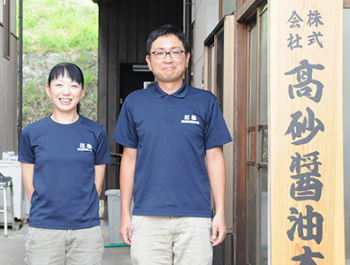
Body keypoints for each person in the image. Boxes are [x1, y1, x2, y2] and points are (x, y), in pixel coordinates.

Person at [113, 24, 232, 265]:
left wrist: (219, 212)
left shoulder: (205, 102)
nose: (168, 58)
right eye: (160, 52)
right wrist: (125, 213)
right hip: (147, 216)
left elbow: (215, 158)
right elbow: (129, 159)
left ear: (187, 58)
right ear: (149, 60)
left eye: (175, 51)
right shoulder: (135, 102)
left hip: (195, 216)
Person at [19, 62, 111, 265]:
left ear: (82, 92)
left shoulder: (96, 132)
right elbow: (29, 185)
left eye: (73, 85)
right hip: (44, 230)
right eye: (59, 85)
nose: (66, 92)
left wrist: (81, 214)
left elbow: (97, 185)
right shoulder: (32, 133)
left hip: (86, 230)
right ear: (48, 90)